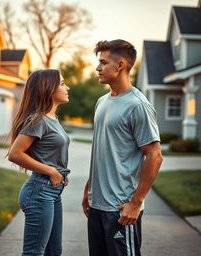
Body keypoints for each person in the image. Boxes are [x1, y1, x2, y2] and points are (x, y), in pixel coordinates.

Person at [82, 40, 163, 256]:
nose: (97, 67)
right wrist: (89, 188)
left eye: (103, 62)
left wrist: (136, 203)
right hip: (97, 204)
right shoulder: (102, 102)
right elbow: (104, 150)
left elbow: (154, 156)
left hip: (120, 208)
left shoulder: (138, 106)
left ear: (120, 65)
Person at [8, 69, 70, 256]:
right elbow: (15, 154)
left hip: (52, 191)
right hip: (39, 191)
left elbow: (48, 153)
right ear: (48, 88)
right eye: (62, 83)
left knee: (54, 251)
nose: (67, 87)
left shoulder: (53, 120)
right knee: (34, 252)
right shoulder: (38, 120)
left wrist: (59, 173)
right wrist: (51, 171)